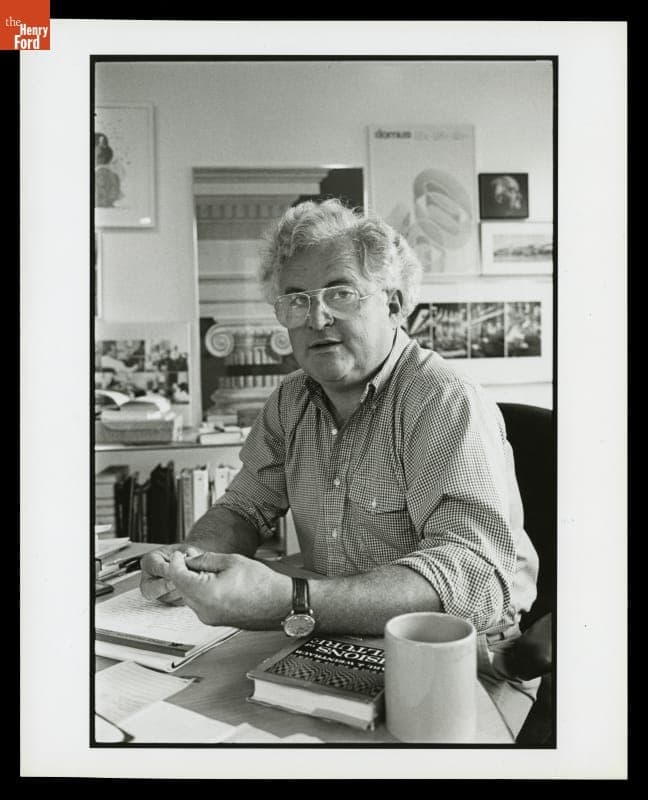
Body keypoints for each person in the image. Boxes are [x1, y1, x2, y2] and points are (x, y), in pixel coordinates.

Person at [140, 199, 540, 736]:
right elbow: (242, 507)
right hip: (332, 642)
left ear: (394, 303)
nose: (317, 317)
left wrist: (292, 599)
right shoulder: (290, 401)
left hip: (469, 663)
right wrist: (191, 562)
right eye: (297, 300)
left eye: (341, 292)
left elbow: (474, 578)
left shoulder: (440, 398)